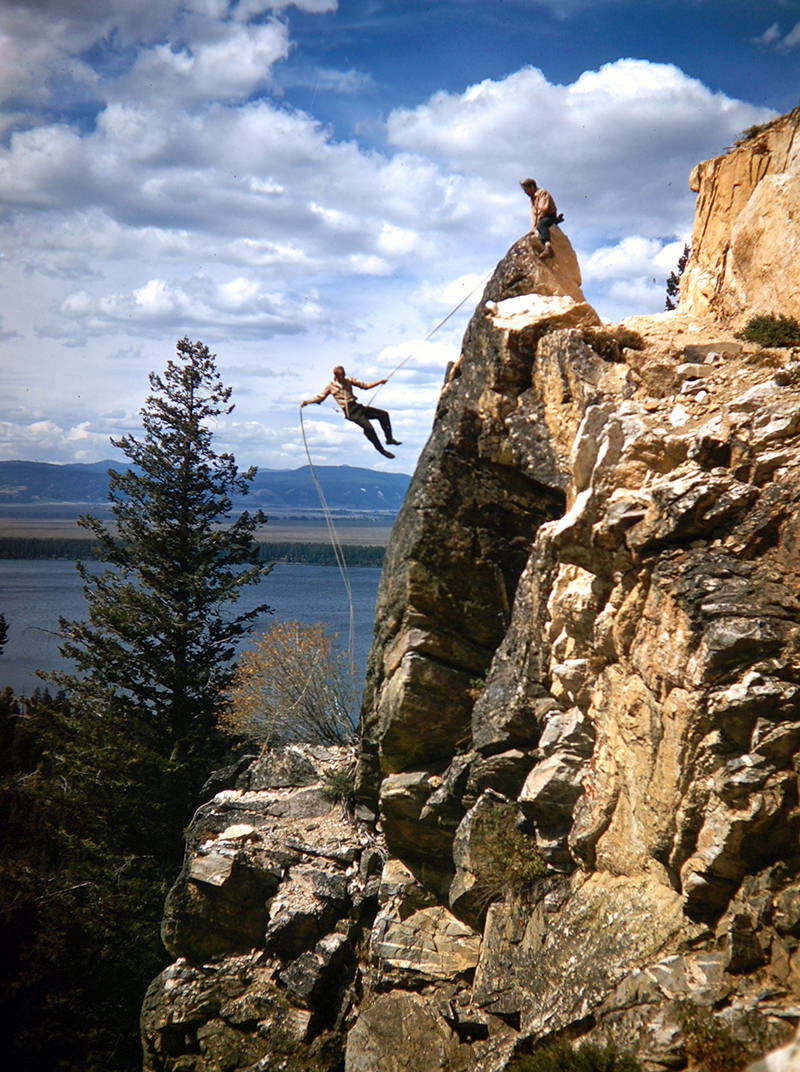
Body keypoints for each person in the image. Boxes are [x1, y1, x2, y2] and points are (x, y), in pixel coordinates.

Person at [301, 365, 401, 458]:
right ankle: (381, 450)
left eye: (344, 375)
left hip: (357, 406)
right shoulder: (330, 386)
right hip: (350, 411)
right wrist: (307, 402)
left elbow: (365, 386)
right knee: (369, 428)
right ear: (336, 376)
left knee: (383, 414)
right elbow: (320, 398)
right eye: (341, 377)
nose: (343, 378)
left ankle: (389, 439)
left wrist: (379, 382)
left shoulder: (348, 380)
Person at [521, 178, 560, 260]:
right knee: (538, 226)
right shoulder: (532, 198)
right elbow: (533, 214)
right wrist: (533, 227)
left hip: (549, 216)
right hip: (541, 218)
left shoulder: (542, 193)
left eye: (526, 190)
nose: (525, 193)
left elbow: (543, 209)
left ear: (532, 187)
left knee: (541, 225)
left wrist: (537, 224)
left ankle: (548, 247)